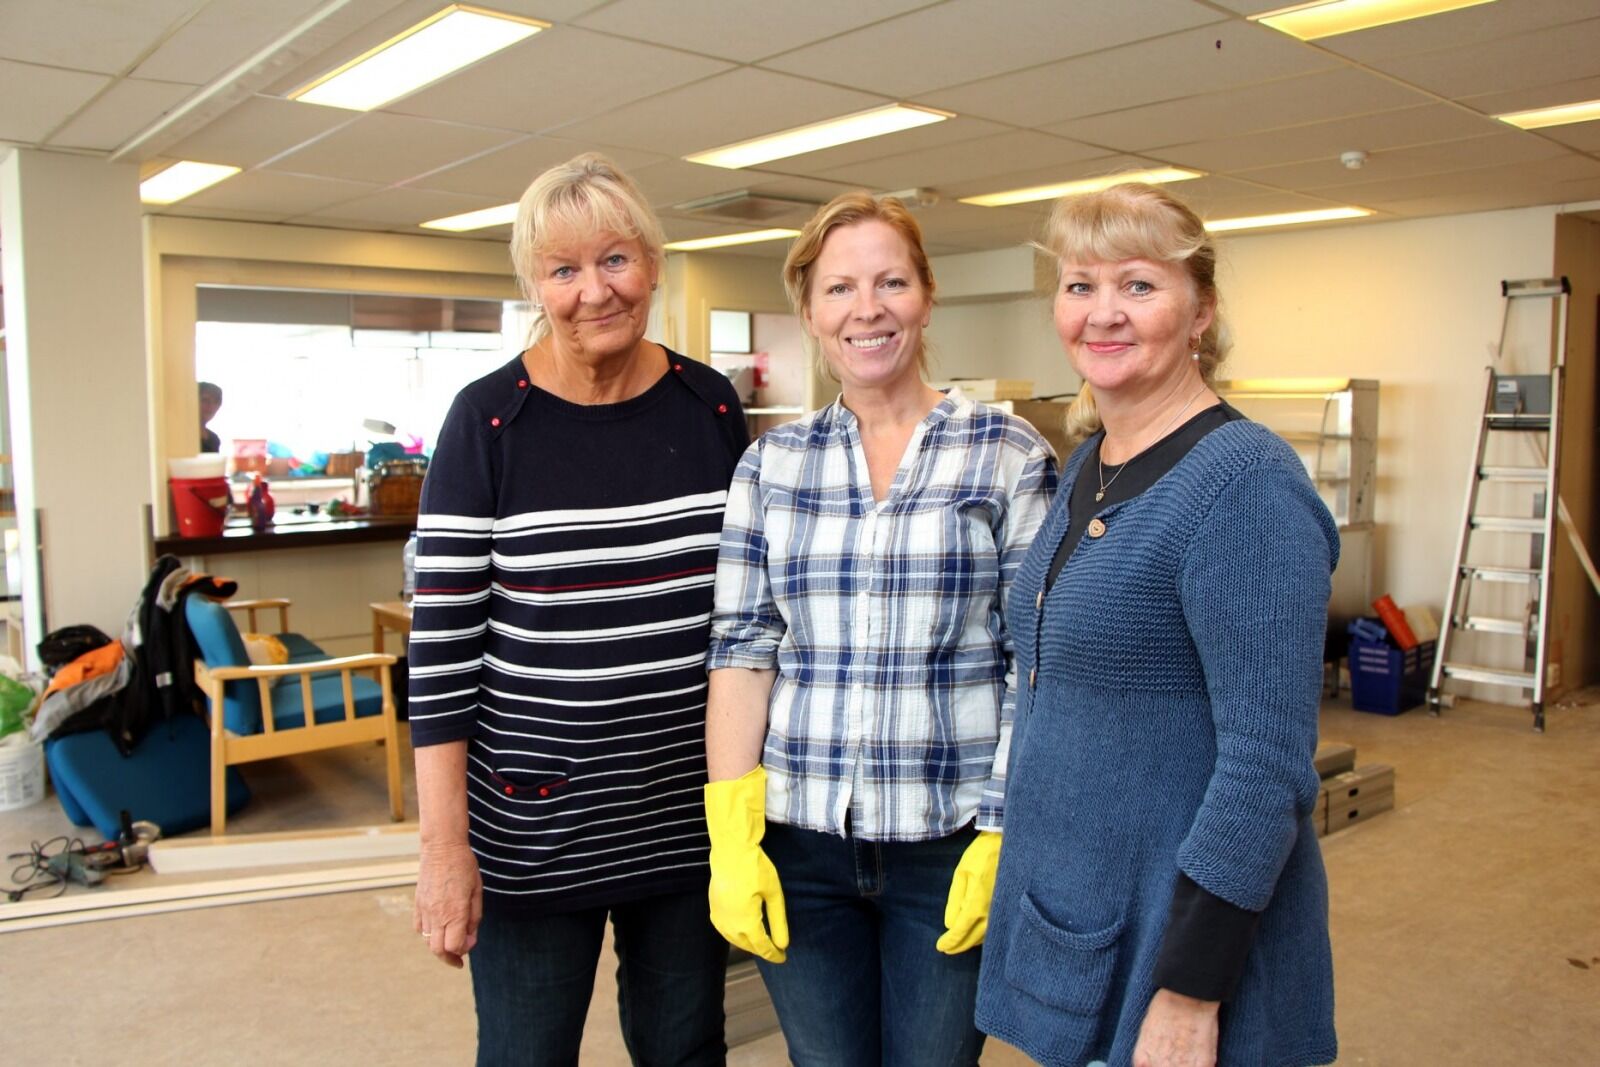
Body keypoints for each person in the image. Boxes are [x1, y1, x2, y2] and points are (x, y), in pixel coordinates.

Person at [973, 182, 1339, 1067]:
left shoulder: (1245, 484)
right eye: (1080, 285)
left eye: (1138, 284)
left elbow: (1266, 766)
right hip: (1089, 918)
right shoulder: (1092, 461)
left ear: (1201, 310)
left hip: (1180, 957)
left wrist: (1189, 991)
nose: (1103, 312)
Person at [407, 153, 748, 1067]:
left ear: (654, 264)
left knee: (687, 1049)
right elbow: (440, 660)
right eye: (564, 269)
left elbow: (744, 616)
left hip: (682, 819)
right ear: (534, 284)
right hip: (534, 823)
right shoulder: (487, 421)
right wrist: (444, 850)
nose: (595, 291)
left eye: (616, 259)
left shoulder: (708, 405)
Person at [704, 192, 1057, 1066]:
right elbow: (743, 650)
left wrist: (1006, 828)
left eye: (891, 282)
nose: (867, 308)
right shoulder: (770, 464)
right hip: (799, 841)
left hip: (948, 843)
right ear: (811, 313)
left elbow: (1037, 662)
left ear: (926, 296)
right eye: (839, 288)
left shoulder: (1008, 452)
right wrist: (730, 832)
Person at [198, 381, 222, 452]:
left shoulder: (214, 439)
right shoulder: (180, 435)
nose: (211, 406)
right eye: (205, 400)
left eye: (216, 402)